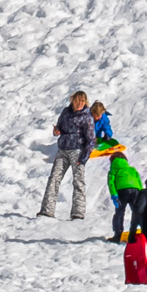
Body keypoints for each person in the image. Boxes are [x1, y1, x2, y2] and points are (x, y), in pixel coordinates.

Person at [40, 90, 95, 219]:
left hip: (78, 151)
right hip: (63, 149)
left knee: (78, 181)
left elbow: (91, 139)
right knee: (54, 178)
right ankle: (47, 210)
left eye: (82, 101)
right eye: (78, 100)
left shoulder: (87, 116)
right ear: (72, 100)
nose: (80, 103)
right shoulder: (66, 112)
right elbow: (59, 128)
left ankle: (78, 213)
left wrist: (83, 158)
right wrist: (57, 131)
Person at [106, 149, 144, 241]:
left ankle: (117, 235)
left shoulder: (113, 170)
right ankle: (144, 230)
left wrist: (114, 195)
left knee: (119, 212)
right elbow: (139, 181)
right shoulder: (132, 169)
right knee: (137, 211)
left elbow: (111, 183)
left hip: (121, 191)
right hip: (135, 190)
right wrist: (142, 194)